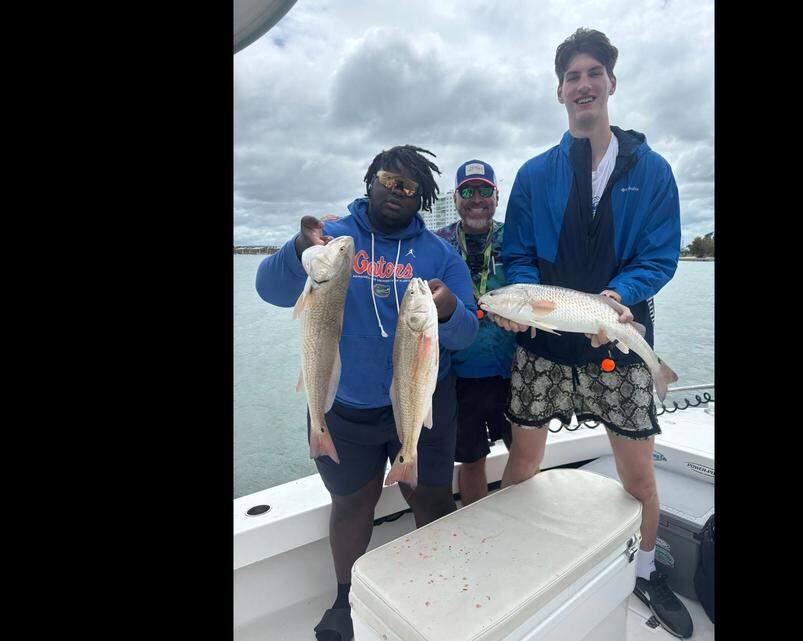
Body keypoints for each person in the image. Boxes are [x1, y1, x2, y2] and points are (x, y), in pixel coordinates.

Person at [492, 28, 694, 638]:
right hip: (545, 342)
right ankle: (517, 552)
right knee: (523, 460)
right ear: (560, 92)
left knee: (637, 475)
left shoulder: (653, 171)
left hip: (619, 333)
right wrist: (519, 303)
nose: (583, 85)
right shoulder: (533, 173)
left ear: (611, 83)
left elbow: (660, 256)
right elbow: (518, 254)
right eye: (572, 77)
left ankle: (645, 572)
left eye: (593, 74)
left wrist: (619, 297)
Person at [255, 145, 478, 641]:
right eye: (387, 179)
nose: (396, 191)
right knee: (352, 505)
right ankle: (344, 599)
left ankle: (430, 589)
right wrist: (297, 249)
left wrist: (446, 310)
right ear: (369, 180)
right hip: (346, 408)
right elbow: (269, 290)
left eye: (408, 187)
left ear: (421, 197)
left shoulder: (440, 254)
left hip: (421, 401)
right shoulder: (333, 237)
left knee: (432, 499)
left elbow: (468, 333)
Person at [432, 160, 516, 506]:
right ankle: (477, 531)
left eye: (485, 191)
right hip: (458, 374)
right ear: (455, 198)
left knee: (524, 453)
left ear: (496, 196)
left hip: (511, 370)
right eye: (467, 191)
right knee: (471, 459)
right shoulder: (438, 244)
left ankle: (521, 529)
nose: (476, 198)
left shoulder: (515, 240)